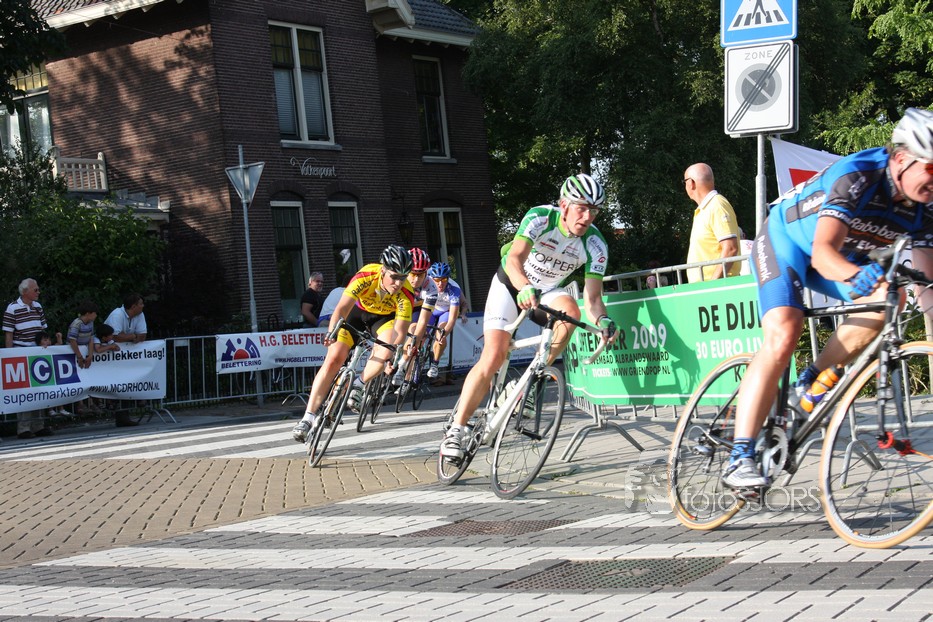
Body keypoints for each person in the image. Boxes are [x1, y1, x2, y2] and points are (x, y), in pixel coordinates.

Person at [723, 107, 933, 489]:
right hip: (788, 243)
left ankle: (810, 381)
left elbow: (928, 286)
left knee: (893, 298)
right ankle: (739, 456)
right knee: (784, 332)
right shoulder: (860, 175)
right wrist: (855, 275)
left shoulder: (926, 206)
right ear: (902, 158)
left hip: (839, 257)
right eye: (931, 169)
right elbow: (823, 254)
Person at [439, 173, 617, 462]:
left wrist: (603, 321)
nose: (588, 217)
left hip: (546, 290)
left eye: (594, 211)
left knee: (571, 313)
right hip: (511, 283)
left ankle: (532, 379)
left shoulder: (596, 244)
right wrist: (523, 286)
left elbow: (593, 299)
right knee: (494, 355)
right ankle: (456, 429)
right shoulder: (541, 218)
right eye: (582, 208)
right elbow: (514, 259)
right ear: (564, 205)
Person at [292, 245, 415, 442]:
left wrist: (394, 352)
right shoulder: (366, 275)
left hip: (383, 320)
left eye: (403, 277)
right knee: (334, 358)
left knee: (386, 350)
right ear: (383, 270)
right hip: (356, 313)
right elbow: (341, 309)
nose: (398, 283)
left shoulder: (406, 292)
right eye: (394, 277)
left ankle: (359, 384)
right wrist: (332, 332)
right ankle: (308, 417)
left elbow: (400, 332)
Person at [3, 278, 54, 439]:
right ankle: (23, 428)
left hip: (38, 353)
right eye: (35, 290)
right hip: (22, 353)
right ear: (25, 292)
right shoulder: (12, 308)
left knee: (39, 389)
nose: (38, 292)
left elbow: (43, 329)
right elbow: (9, 333)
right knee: (25, 391)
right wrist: (9, 355)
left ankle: (38, 425)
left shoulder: (38, 307)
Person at [684, 163, 740, 282]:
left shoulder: (717, 205)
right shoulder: (707, 207)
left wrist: (712, 285)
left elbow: (730, 248)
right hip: (709, 289)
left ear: (691, 183)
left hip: (718, 289)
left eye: (684, 182)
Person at [391, 248, 438, 386]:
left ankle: (404, 370)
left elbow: (423, 321)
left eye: (420, 275)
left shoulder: (431, 288)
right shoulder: (396, 280)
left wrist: (415, 341)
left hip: (416, 308)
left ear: (426, 273)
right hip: (396, 305)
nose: (416, 279)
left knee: (414, 333)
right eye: (412, 274)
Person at [104, 293, 147, 426]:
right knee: (119, 382)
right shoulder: (117, 315)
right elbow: (114, 336)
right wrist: (133, 336)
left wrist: (127, 336)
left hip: (125, 356)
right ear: (133, 306)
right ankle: (118, 412)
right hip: (110, 356)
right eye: (140, 304)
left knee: (128, 380)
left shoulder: (140, 315)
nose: (143, 306)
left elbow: (143, 335)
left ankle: (124, 415)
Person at [425, 262, 461, 380]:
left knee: (441, 334)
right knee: (421, 332)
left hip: (445, 312)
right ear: (431, 278)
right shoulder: (426, 282)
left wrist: (444, 333)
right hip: (430, 309)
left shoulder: (454, 288)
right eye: (437, 280)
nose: (440, 283)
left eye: (444, 279)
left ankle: (435, 364)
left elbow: (452, 319)